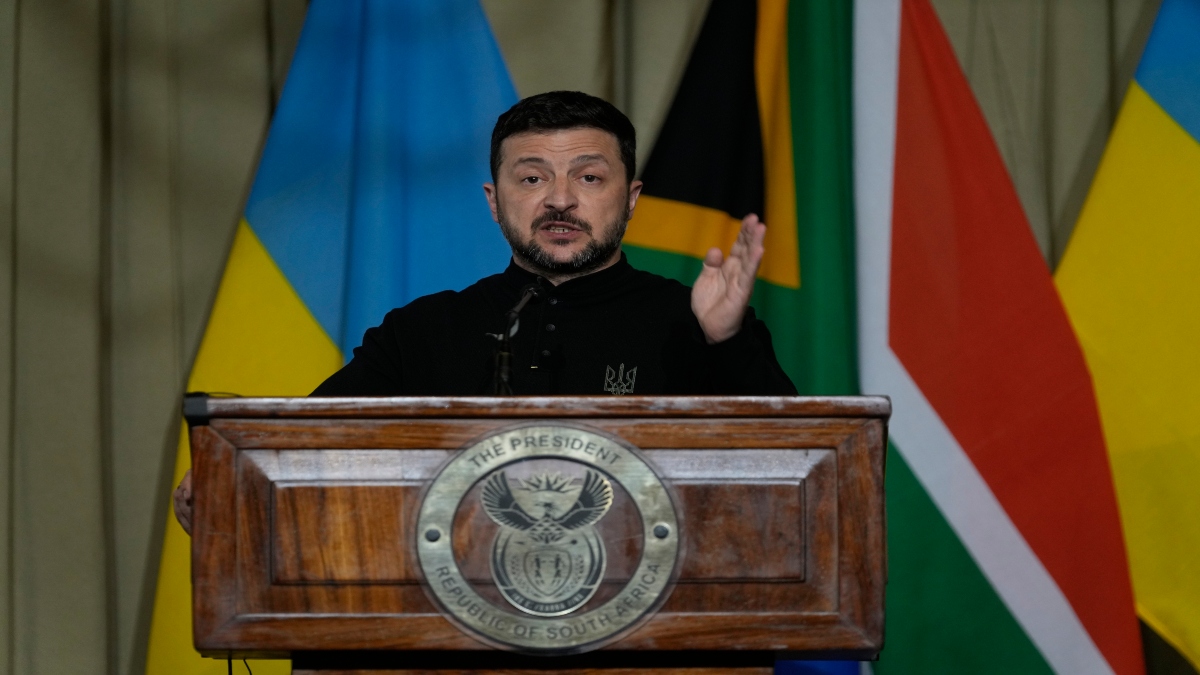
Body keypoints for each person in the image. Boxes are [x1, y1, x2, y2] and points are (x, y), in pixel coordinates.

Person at [173, 91, 795, 533]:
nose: (558, 199)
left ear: (630, 200)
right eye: (531, 179)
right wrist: (234, 481)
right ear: (494, 202)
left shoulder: (691, 320)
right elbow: (308, 446)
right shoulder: (421, 331)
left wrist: (725, 338)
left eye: (589, 178)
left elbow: (794, 467)